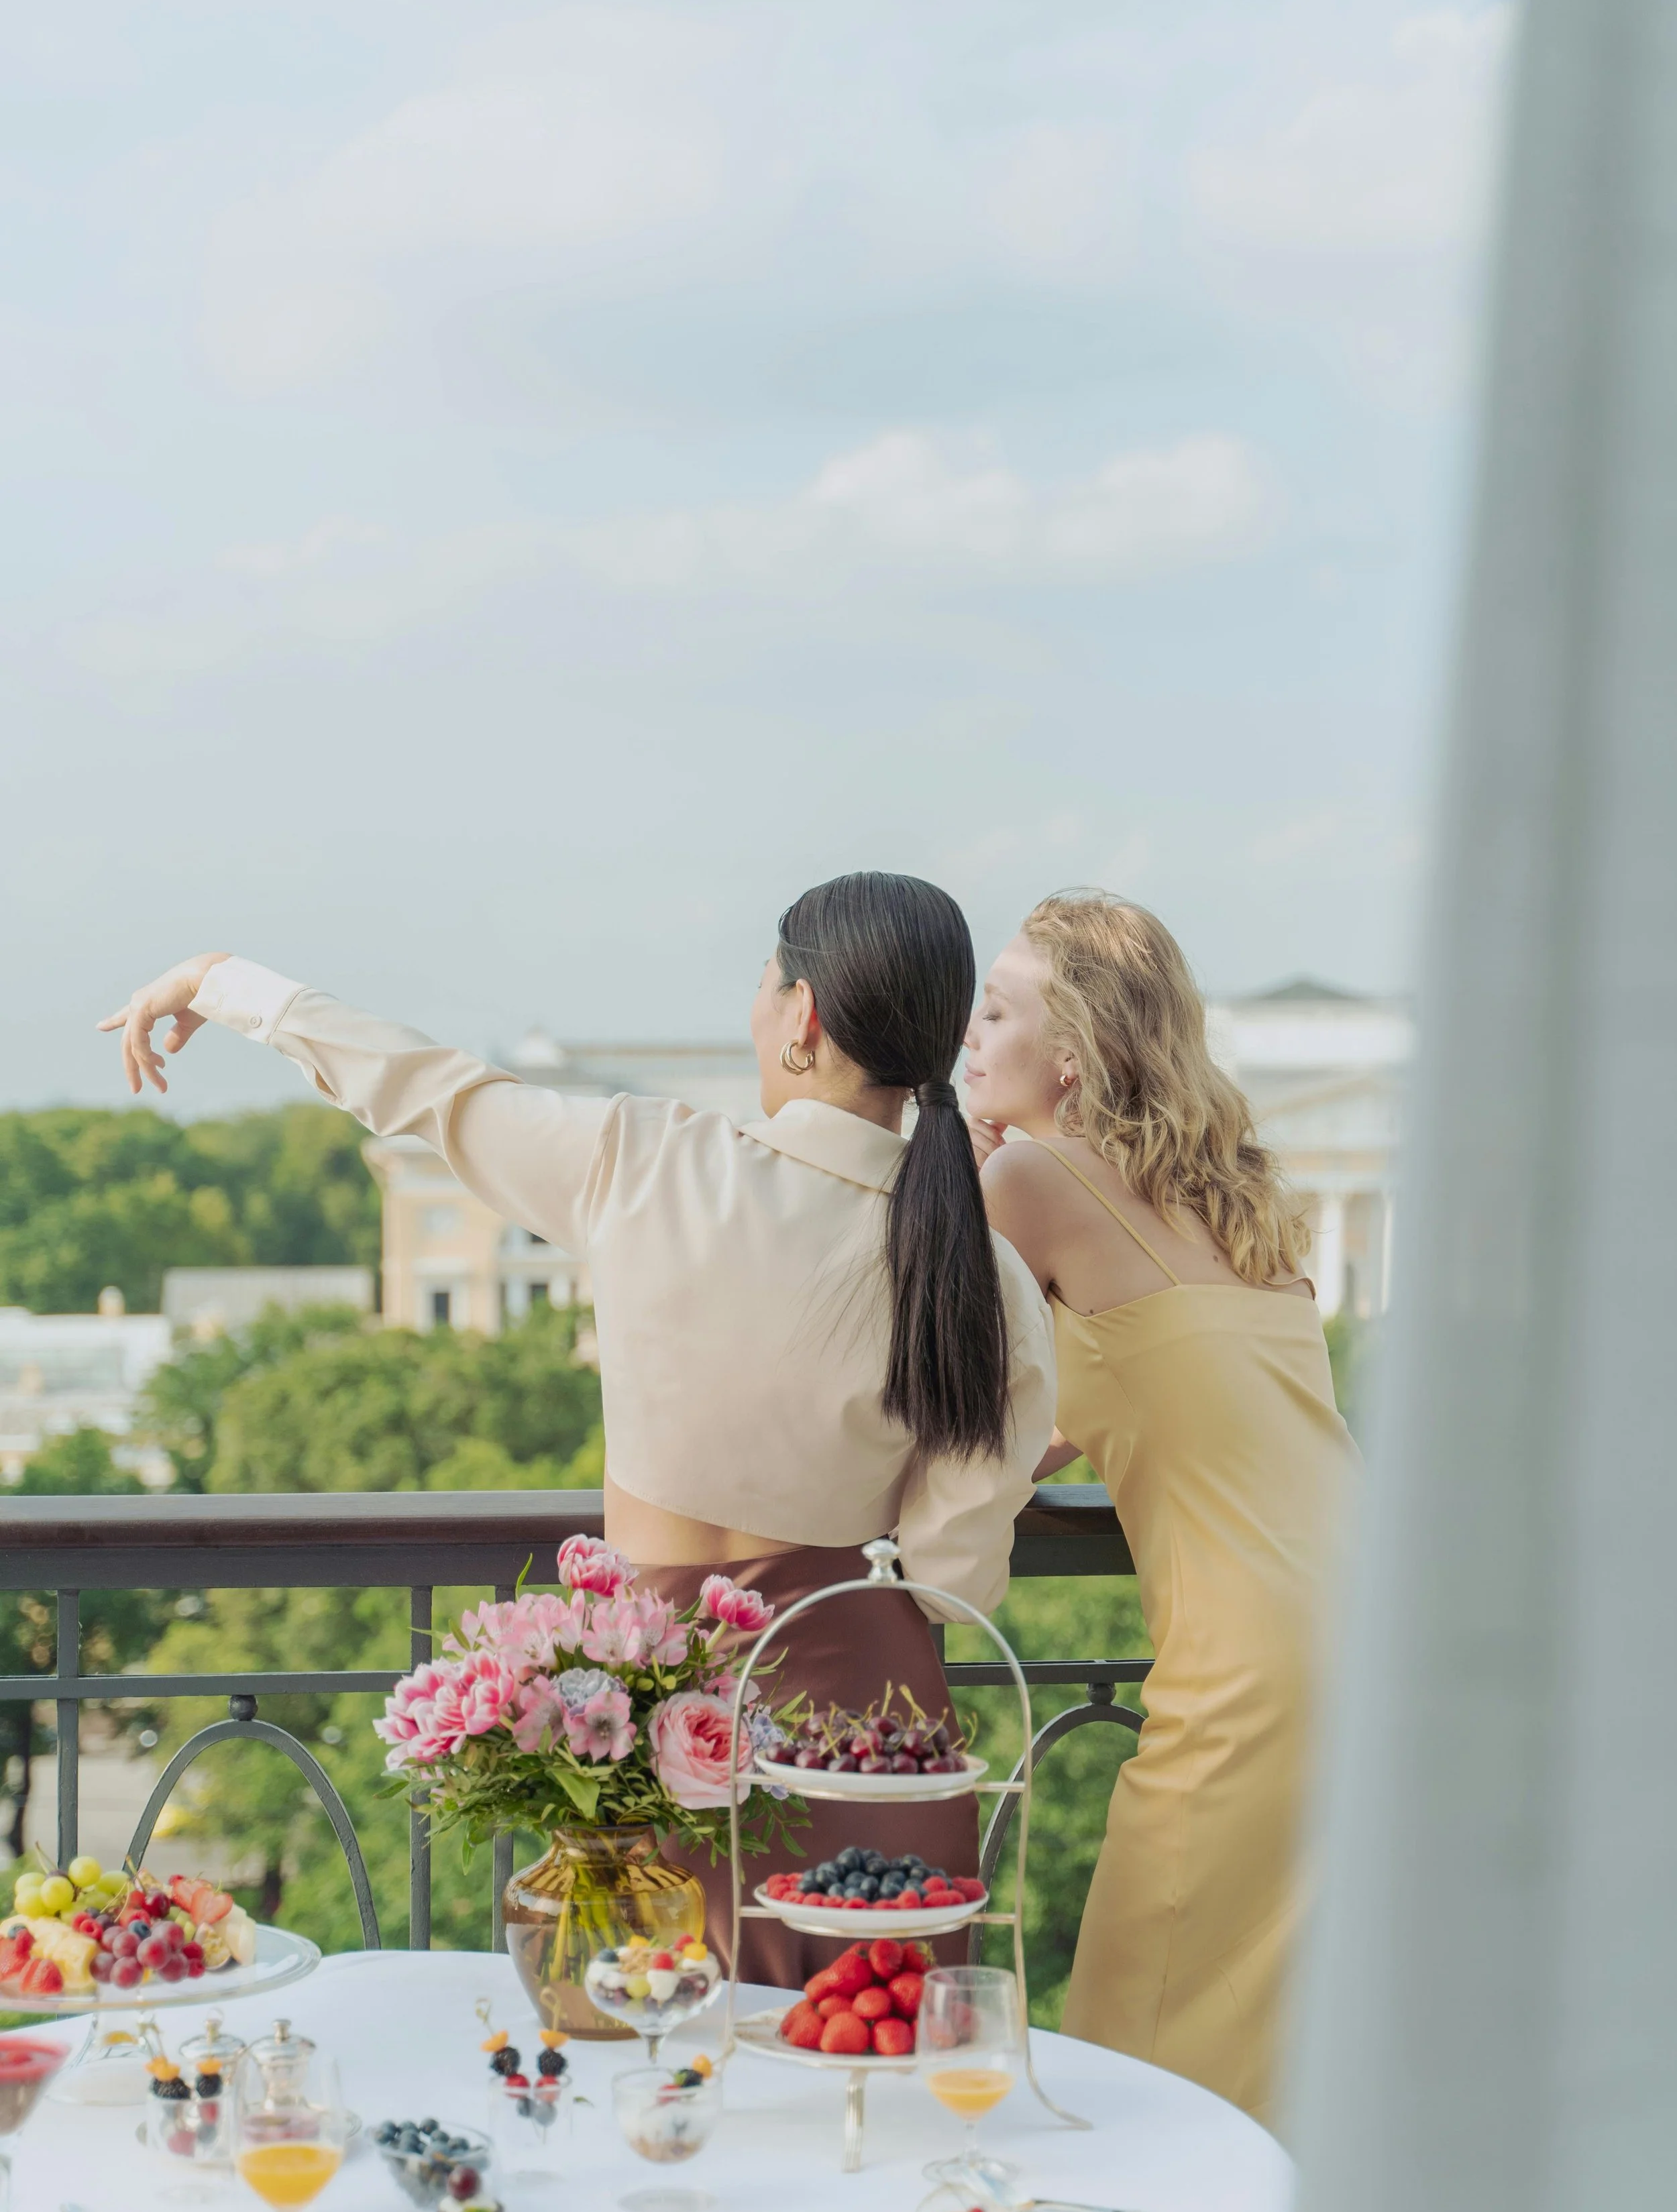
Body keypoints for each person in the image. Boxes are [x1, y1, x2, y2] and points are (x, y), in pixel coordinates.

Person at [101, 874, 1055, 1983]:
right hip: (868, 1751)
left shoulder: (647, 1163)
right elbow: (951, 1579)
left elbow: (432, 1091)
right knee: (861, 2090)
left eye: (763, 983)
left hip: (649, 1729)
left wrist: (221, 982)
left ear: (801, 1017)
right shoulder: (978, 1272)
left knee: (651, 2071)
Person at [964, 889, 1355, 2129]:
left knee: (1142, 2044)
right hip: (1369, 1621)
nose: (969, 1037)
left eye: (996, 1008)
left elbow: (951, 1422)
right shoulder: (1240, 1195)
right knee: (1284, 2041)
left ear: (1069, 1051)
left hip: (1251, 1665)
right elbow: (1165, 1390)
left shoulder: (1027, 1177)